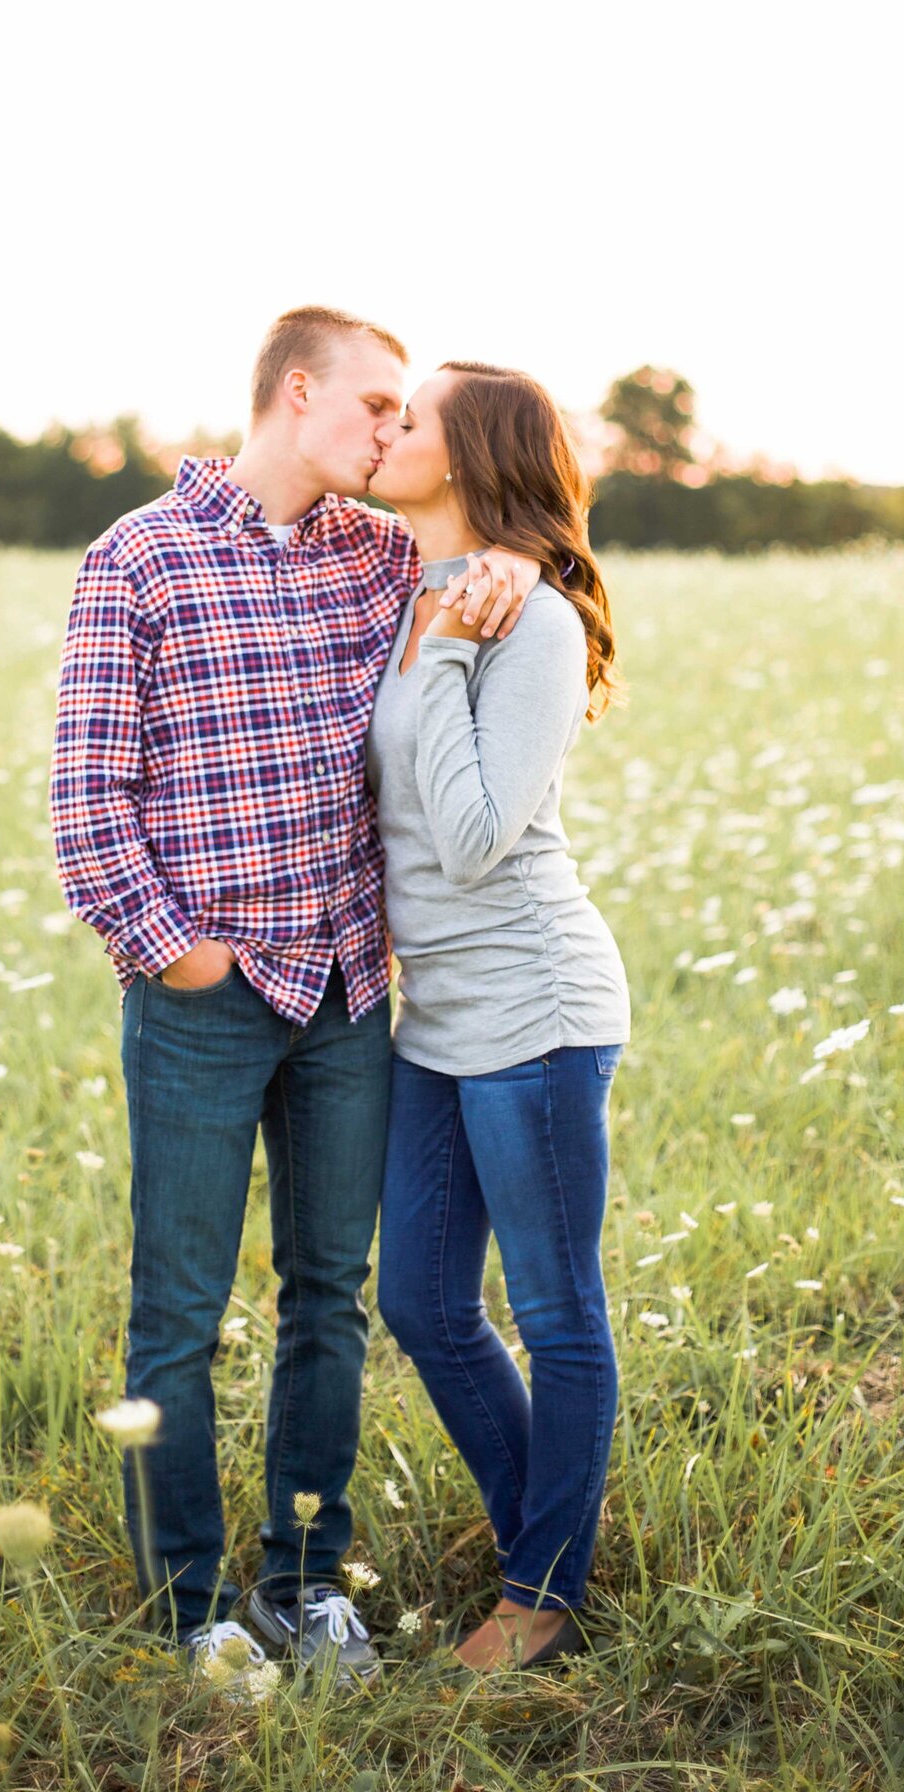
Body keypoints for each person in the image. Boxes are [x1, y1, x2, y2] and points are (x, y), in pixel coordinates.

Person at [49, 306, 541, 1687]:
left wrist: (503, 561)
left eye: (404, 416)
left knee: (329, 1294)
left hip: (343, 992)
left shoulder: (383, 556)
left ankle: (307, 1585)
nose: (395, 433)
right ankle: (191, 1609)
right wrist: (180, 952)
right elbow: (90, 805)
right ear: (300, 389)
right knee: (181, 1312)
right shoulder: (137, 557)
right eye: (379, 406)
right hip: (204, 993)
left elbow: (487, 576)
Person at [366, 361, 630, 1672]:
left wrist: (459, 654)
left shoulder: (525, 624)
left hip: (534, 1004)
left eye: (407, 418)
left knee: (555, 1305)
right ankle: (546, 1532)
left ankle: (542, 1591)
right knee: (418, 1297)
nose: (383, 429)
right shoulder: (406, 587)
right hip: (435, 1016)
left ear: (467, 457)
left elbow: (472, 843)